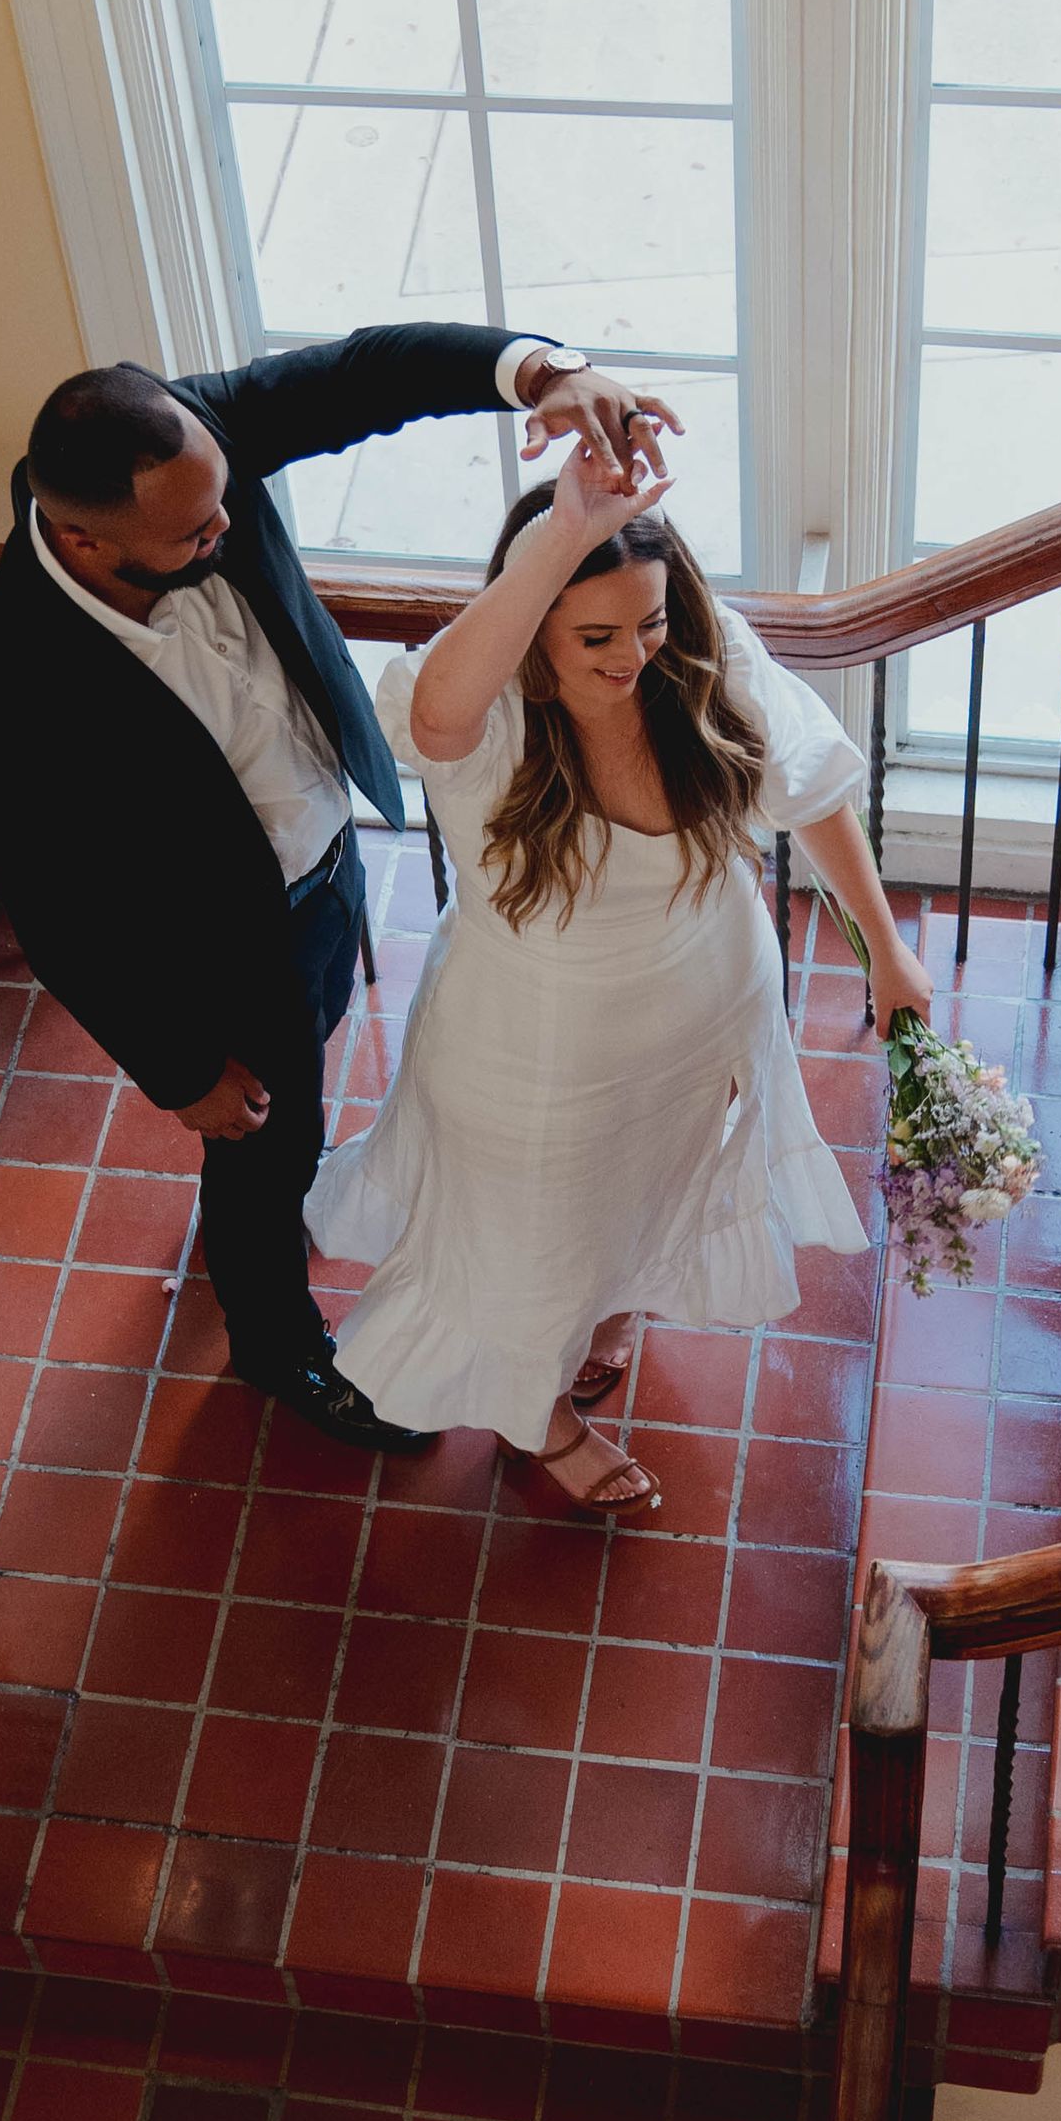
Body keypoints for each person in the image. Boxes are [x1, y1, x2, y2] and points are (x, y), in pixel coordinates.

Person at [0, 324, 668, 1452]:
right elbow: (59, 920)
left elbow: (358, 376)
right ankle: (275, 1347)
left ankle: (246, 1198)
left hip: (325, 875)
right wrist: (183, 1072)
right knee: (265, 1142)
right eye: (194, 536)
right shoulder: (10, 701)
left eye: (223, 500)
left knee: (307, 1071)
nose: (226, 529)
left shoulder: (191, 445)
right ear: (84, 543)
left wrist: (543, 372)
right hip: (223, 955)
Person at [304, 441, 934, 1509]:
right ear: (533, 621)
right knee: (533, 1236)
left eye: (649, 624)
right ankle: (538, 1417)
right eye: (594, 635)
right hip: (535, 1058)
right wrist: (560, 535)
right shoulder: (489, 721)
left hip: (699, 1020)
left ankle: (608, 1307)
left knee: (642, 1198)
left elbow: (813, 785)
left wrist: (883, 940)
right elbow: (430, 716)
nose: (633, 657)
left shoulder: (701, 662)